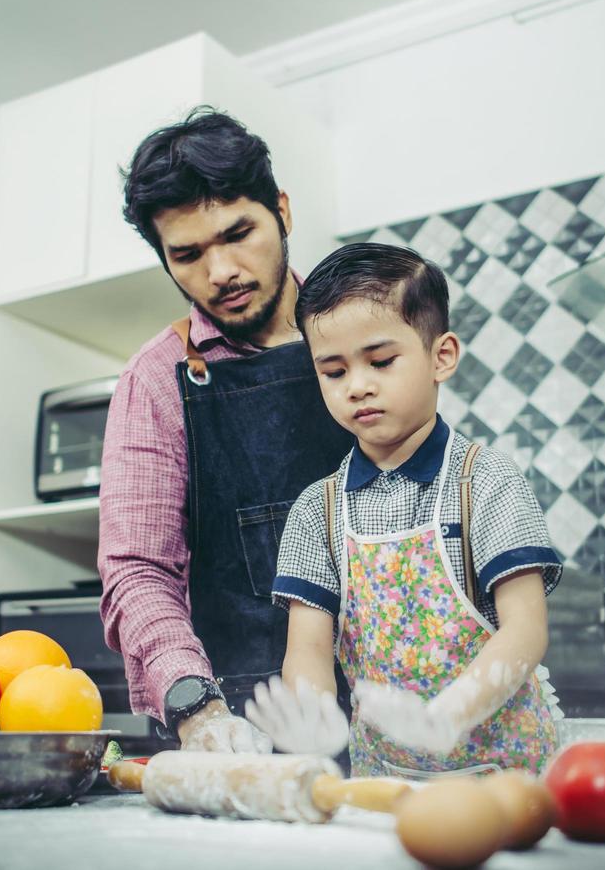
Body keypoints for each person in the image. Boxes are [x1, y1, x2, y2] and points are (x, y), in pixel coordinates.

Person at [247, 242, 563, 777]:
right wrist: (315, 716)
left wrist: (450, 714)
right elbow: (308, 648)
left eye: (381, 361)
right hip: (384, 788)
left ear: (441, 356)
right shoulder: (315, 512)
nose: (359, 386)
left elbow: (526, 629)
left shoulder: (485, 481)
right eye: (334, 371)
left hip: (508, 781)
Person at [97, 107, 352, 753]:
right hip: (238, 731)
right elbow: (137, 572)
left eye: (239, 234)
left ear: (283, 212)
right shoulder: (157, 379)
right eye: (187, 254)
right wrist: (196, 709)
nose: (221, 273)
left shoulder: (363, 337)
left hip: (399, 713)